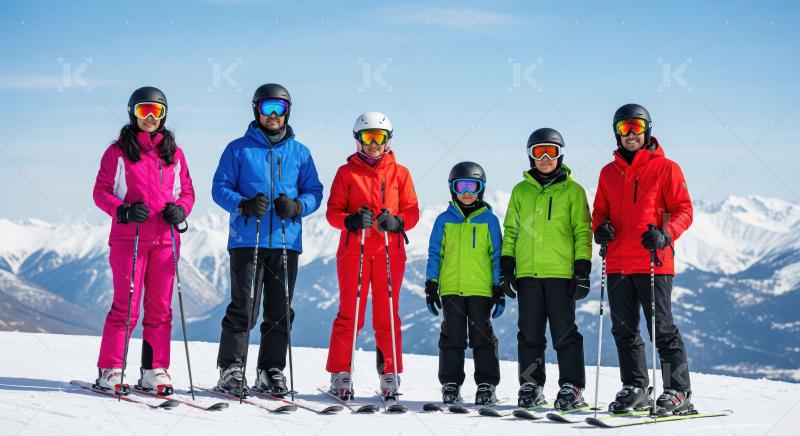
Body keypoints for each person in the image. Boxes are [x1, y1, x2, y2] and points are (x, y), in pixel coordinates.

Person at [211, 83, 323, 397]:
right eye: (267, 108)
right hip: (247, 239)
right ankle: (231, 369)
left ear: (288, 111)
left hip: (286, 241)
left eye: (280, 108)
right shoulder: (237, 149)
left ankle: (270, 370)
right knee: (244, 307)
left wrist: (298, 206)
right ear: (256, 110)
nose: (273, 115)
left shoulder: (300, 152)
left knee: (280, 310)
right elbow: (219, 188)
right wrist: (243, 204)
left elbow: (314, 192)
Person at [92, 86, 195, 395]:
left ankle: (154, 370)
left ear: (164, 115)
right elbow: (100, 192)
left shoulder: (174, 154)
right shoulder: (118, 153)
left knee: (161, 309)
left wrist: (180, 210)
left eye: (156, 111)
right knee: (126, 306)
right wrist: (122, 212)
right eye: (143, 111)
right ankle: (110, 369)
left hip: (165, 240)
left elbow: (187, 191)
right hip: (129, 240)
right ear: (132, 113)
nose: (149, 117)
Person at [592, 103, 694, 414]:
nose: (631, 134)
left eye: (636, 127)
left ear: (646, 130)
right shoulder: (608, 173)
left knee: (661, 330)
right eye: (624, 128)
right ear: (617, 133)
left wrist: (666, 234)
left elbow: (684, 211)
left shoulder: (667, 168)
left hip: (654, 262)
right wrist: (601, 230)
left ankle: (678, 391)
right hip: (619, 262)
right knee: (623, 330)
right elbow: (599, 212)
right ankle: (636, 387)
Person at [325, 112, 419, 401]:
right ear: (358, 140)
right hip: (355, 250)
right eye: (368, 137)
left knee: (387, 314)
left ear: (388, 139)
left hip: (390, 252)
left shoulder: (400, 173)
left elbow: (412, 210)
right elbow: (332, 212)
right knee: (350, 314)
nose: (374, 144)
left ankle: (389, 373)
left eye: (379, 137)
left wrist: (398, 222)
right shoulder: (346, 173)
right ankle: (341, 373)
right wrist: (350, 220)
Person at [501, 128, 592, 410]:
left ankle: (571, 386)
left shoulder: (573, 191)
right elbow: (511, 231)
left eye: (550, 152)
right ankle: (531, 385)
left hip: (561, 274)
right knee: (529, 333)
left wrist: (582, 270)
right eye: (538, 152)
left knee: (565, 333)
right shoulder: (520, 191)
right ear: (530, 156)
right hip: (528, 274)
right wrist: (507, 265)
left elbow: (582, 231)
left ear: (560, 154)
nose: (544, 158)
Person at [425, 162, 504, 406]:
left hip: (480, 290)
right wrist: (431, 284)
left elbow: (497, 256)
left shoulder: (489, 221)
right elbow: (435, 253)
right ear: (452, 189)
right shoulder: (443, 220)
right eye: (461, 186)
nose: (467, 192)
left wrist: (498, 287)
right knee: (452, 337)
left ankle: (486, 384)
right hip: (451, 289)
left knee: (483, 337)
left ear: (481, 189)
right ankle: (450, 384)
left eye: (473, 186)